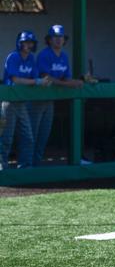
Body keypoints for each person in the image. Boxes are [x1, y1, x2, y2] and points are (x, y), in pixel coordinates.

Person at [30, 24, 84, 166]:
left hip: (50, 101)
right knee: (31, 136)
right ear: (49, 40)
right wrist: (68, 85)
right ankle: (26, 167)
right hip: (37, 99)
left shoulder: (64, 56)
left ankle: (36, 165)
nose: (58, 40)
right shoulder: (44, 54)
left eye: (60, 37)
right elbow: (46, 77)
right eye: (55, 37)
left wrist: (79, 81)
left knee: (43, 135)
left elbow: (66, 77)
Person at [1, 30, 50, 170]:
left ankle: (25, 167)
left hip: (22, 103)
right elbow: (15, 80)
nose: (28, 45)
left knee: (28, 137)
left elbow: (35, 79)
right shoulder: (13, 57)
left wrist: (44, 82)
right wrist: (37, 81)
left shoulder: (31, 59)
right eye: (25, 42)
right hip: (9, 102)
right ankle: (2, 166)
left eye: (30, 42)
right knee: (6, 137)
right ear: (19, 43)